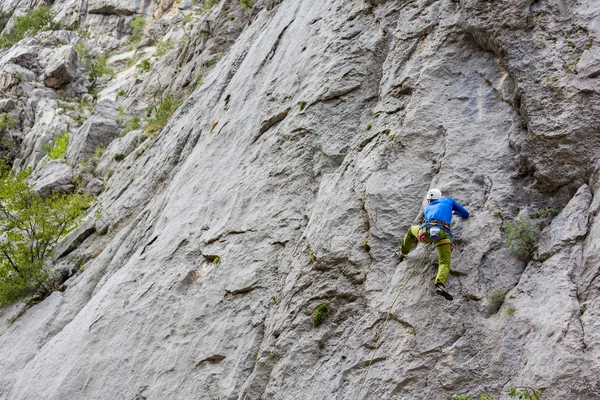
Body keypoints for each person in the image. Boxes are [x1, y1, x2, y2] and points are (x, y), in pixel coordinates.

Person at [397, 188, 469, 301]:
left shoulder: (427, 208)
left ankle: (402, 253)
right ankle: (440, 286)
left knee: (411, 230)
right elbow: (465, 214)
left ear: (429, 200)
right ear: (439, 197)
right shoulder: (448, 201)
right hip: (443, 234)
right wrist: (454, 213)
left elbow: (433, 217)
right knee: (444, 262)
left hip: (427, 233)